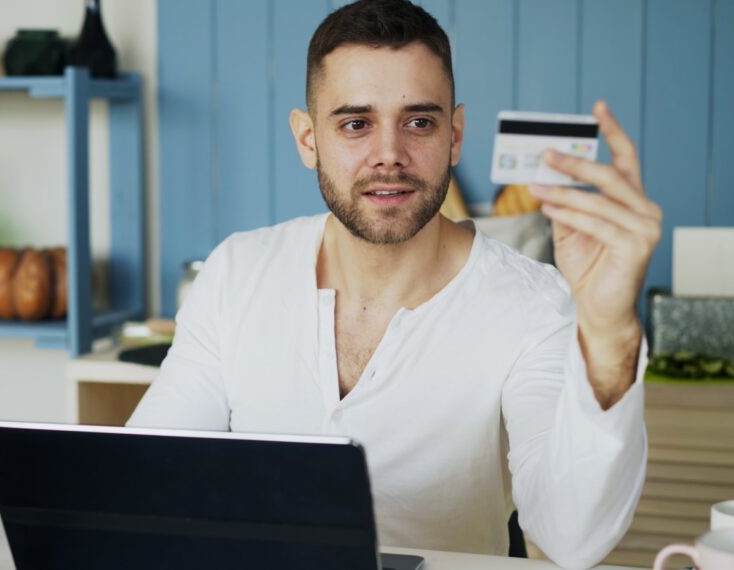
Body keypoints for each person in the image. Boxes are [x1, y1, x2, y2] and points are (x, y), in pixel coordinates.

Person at [127, 1, 662, 568]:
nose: (389, 155)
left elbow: (575, 537)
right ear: (308, 139)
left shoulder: (533, 304)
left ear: (454, 135)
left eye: (419, 122)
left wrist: (608, 331)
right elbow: (143, 481)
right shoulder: (236, 273)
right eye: (356, 123)